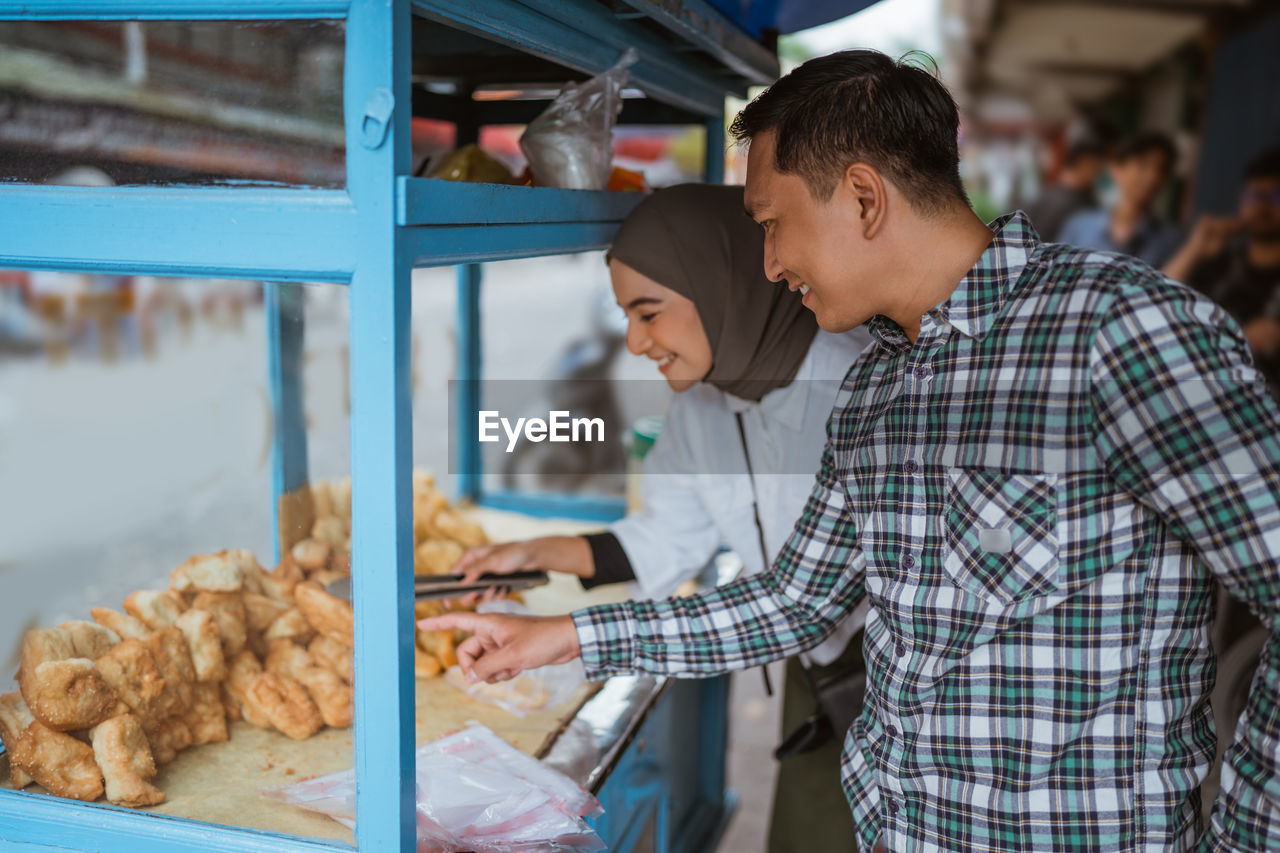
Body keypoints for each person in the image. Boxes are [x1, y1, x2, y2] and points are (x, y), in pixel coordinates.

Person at [423, 50, 1280, 851]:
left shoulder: (1120, 334)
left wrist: (1248, 834)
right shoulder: (878, 389)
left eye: (772, 223)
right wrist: (562, 635)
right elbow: (795, 601)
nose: (768, 262)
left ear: (863, 197)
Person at [457, 182, 871, 853]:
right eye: (625, 315)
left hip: (896, 675)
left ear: (722, 284)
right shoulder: (703, 407)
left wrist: (567, 633)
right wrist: (534, 553)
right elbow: (668, 538)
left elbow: (801, 602)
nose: (636, 340)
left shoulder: (857, 389)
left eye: (650, 312)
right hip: (813, 674)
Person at [1163, 146, 1280, 395]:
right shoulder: (1220, 263)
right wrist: (1193, 250)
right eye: (1253, 196)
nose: (1262, 207)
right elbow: (1155, 305)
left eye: (1275, 197)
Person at [1059, 130, 1183, 267]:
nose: (1153, 177)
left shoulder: (1171, 240)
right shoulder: (1080, 226)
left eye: (1162, 170)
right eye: (1143, 165)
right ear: (1116, 169)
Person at [1022, 137, 1106, 241]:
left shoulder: (1045, 194)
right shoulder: (1068, 202)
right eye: (1097, 167)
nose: (1099, 174)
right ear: (1085, 162)